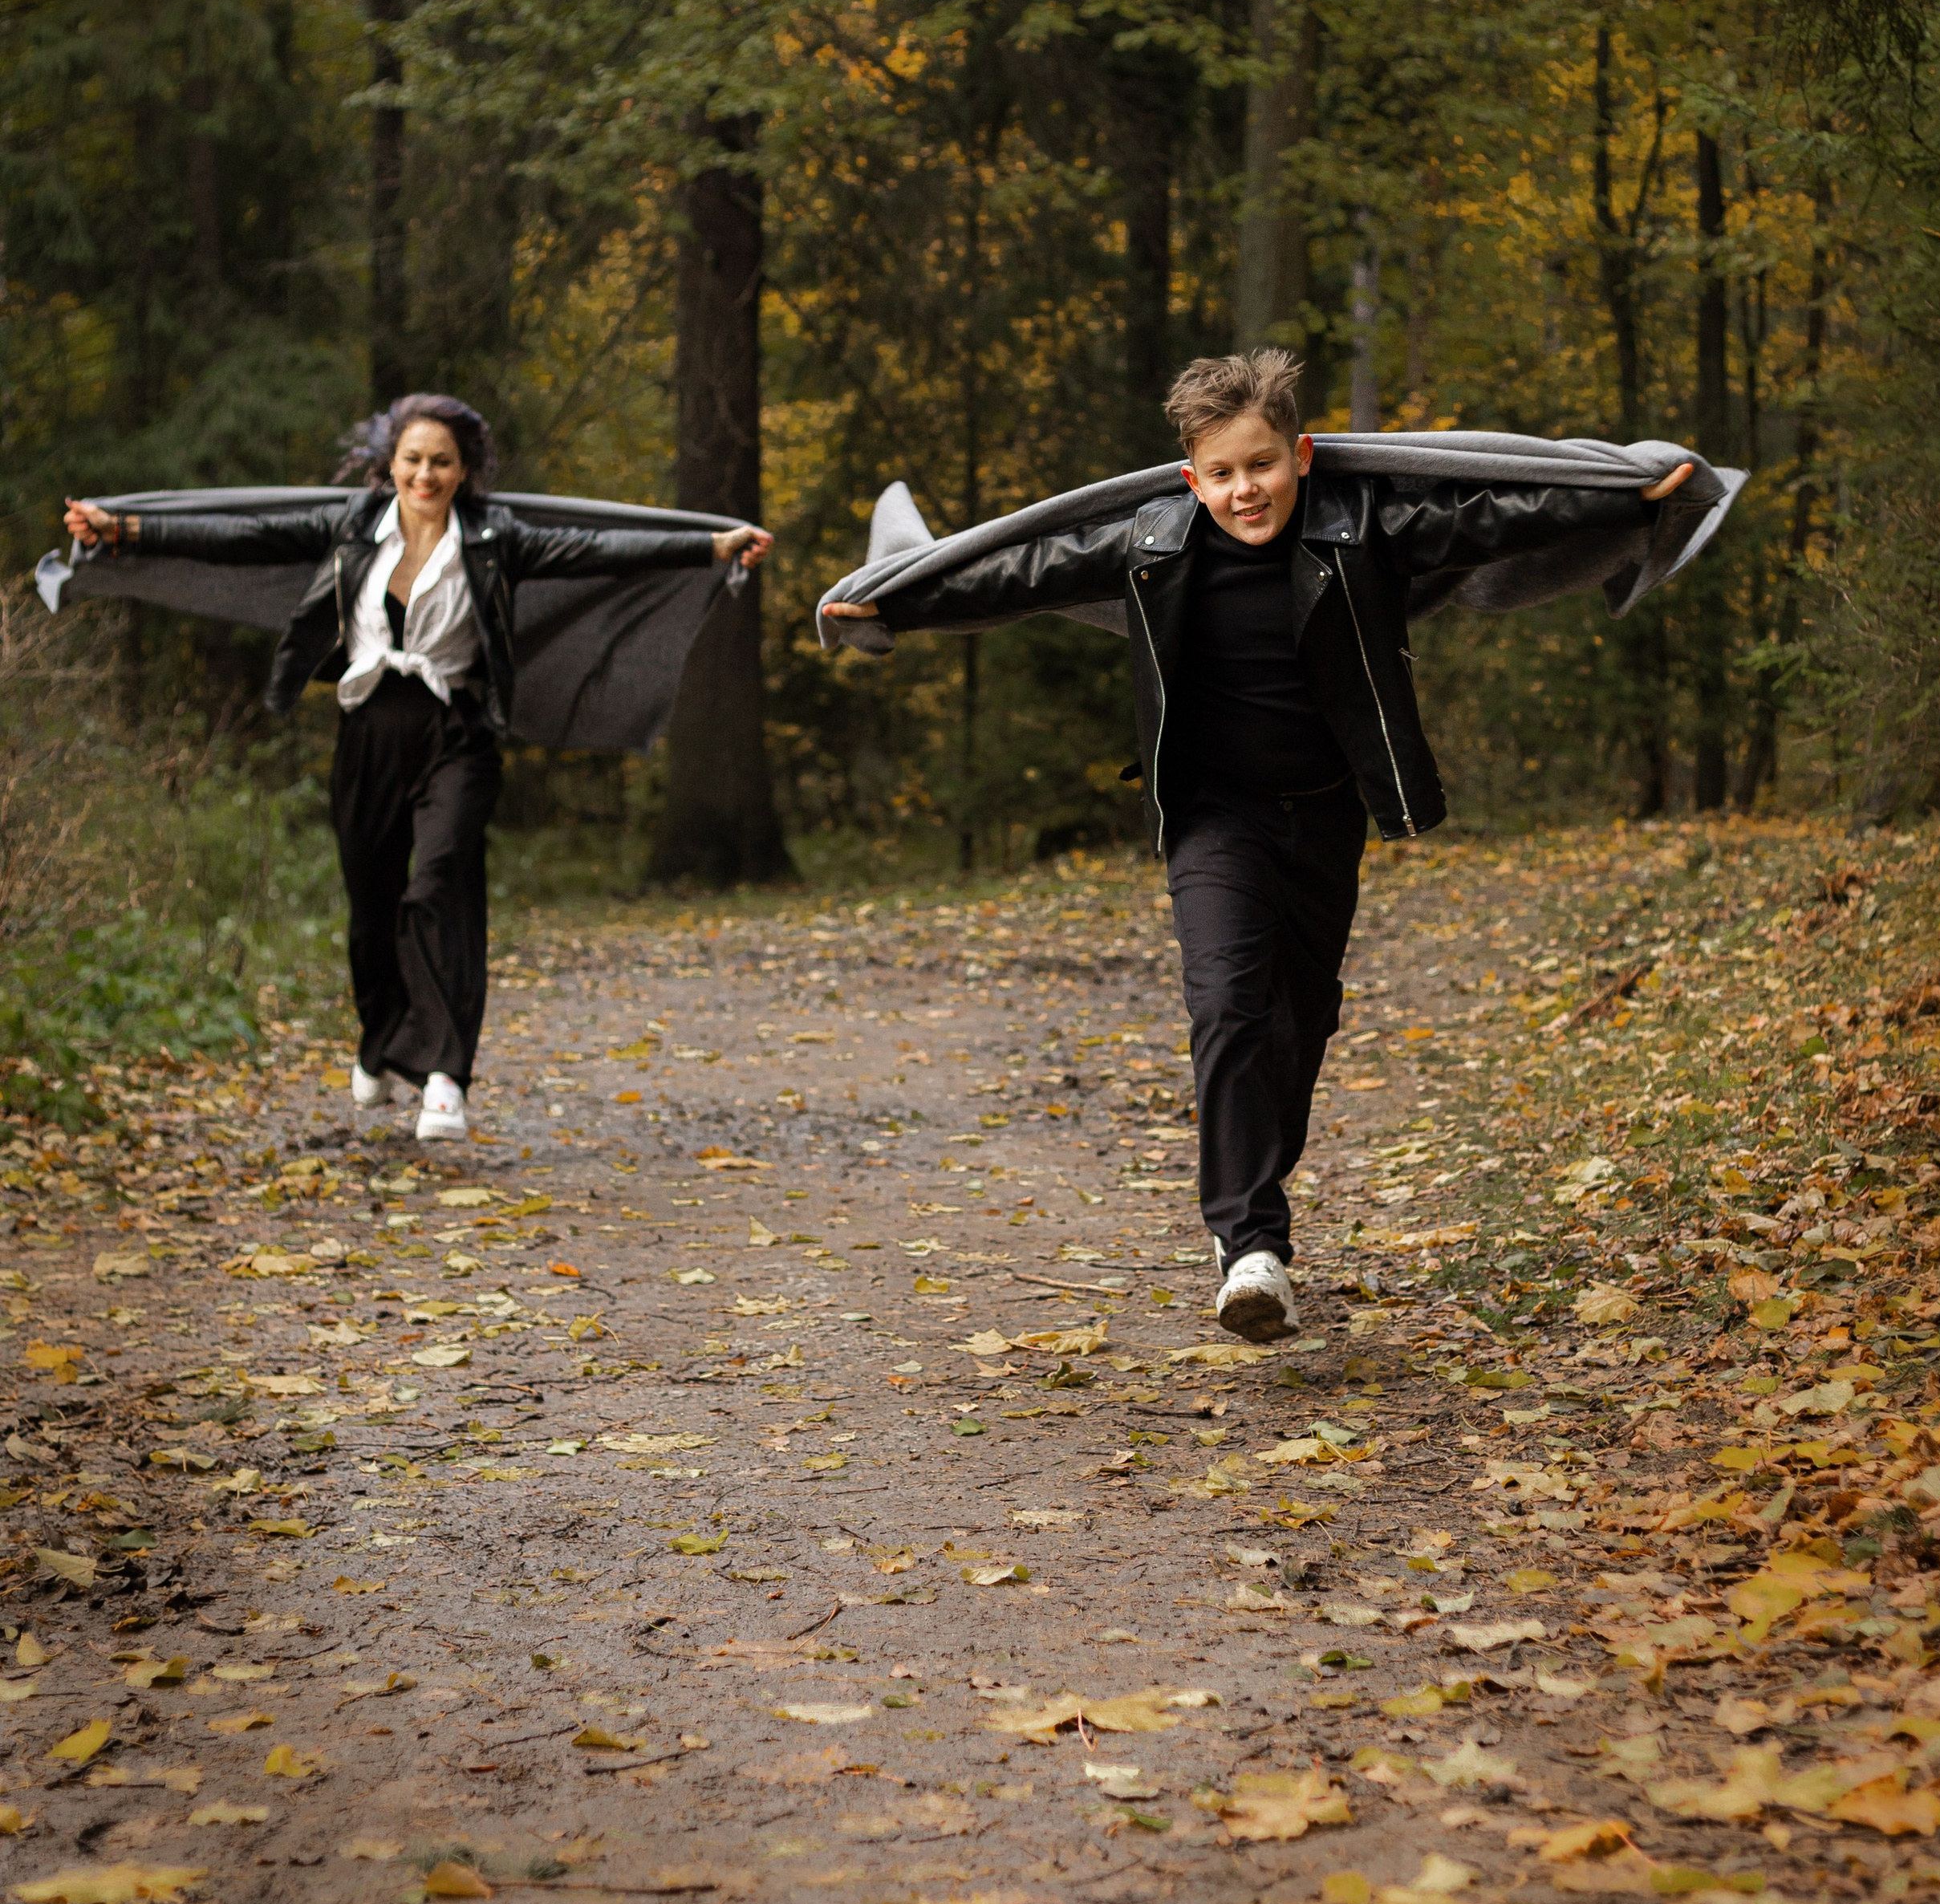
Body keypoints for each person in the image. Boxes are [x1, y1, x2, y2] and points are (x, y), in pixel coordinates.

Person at [823, 350, 1703, 1342]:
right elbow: (1022, 571)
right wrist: (894, 600)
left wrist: (1626, 500)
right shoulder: (1153, 542)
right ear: (1191, 479)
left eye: (1263, 466)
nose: (1246, 491)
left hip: (1323, 812)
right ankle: (1251, 1247)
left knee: (1303, 1021)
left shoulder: (1365, 529)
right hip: (1213, 815)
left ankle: (1248, 1189)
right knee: (1227, 1003)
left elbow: (1490, 516)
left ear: (1302, 456)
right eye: (1223, 474)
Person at [63, 394, 770, 1143]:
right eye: (413, 460)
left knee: (437, 884)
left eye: (441, 462)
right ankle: (380, 1039)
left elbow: (602, 548)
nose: (425, 474)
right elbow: (243, 537)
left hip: (456, 733)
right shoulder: (349, 527)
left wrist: (712, 547)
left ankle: (444, 1076)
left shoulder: (498, 539)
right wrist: (125, 529)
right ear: (389, 466)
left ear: (465, 471)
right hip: (367, 730)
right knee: (372, 905)